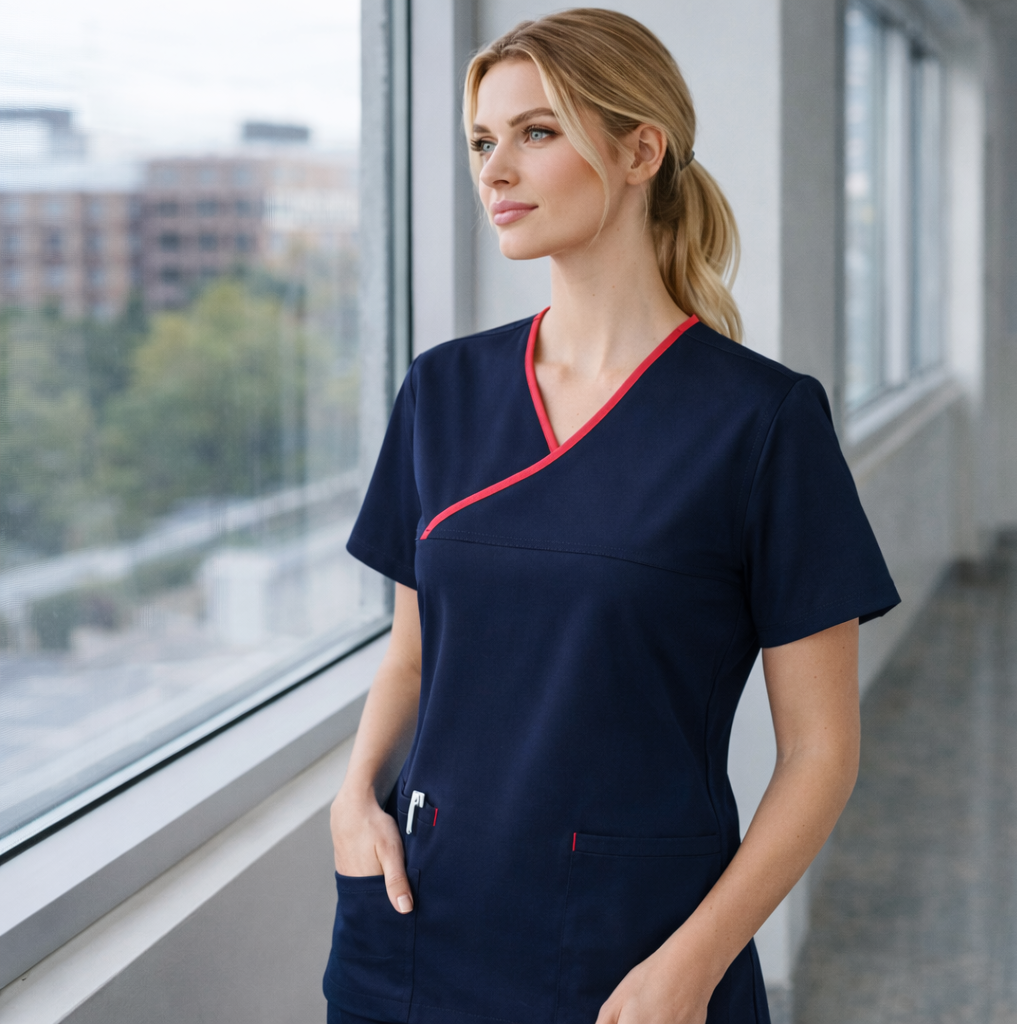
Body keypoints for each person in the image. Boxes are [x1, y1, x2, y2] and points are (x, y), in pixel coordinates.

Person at [323, 9, 899, 1024]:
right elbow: (415, 653)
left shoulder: (761, 422)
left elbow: (820, 754)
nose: (495, 169)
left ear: (641, 149)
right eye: (481, 140)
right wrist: (351, 793)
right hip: (414, 922)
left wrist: (694, 964)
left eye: (536, 132)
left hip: (636, 949)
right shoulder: (442, 392)